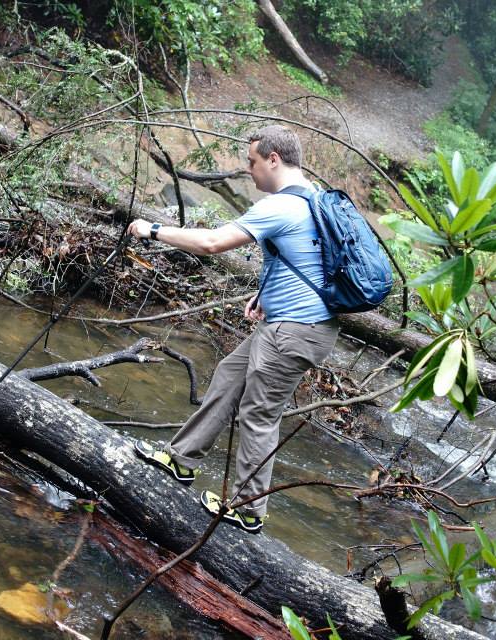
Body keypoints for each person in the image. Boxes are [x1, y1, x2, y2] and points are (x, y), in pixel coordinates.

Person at [126, 125, 339, 533]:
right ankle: (182, 458)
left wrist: (152, 230)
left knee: (259, 414)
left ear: (273, 159)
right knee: (229, 374)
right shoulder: (314, 200)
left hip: (294, 330)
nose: (249, 170)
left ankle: (247, 509)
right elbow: (302, 257)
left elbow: (211, 243)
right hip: (297, 324)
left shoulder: (281, 206)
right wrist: (265, 295)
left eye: (252, 162)